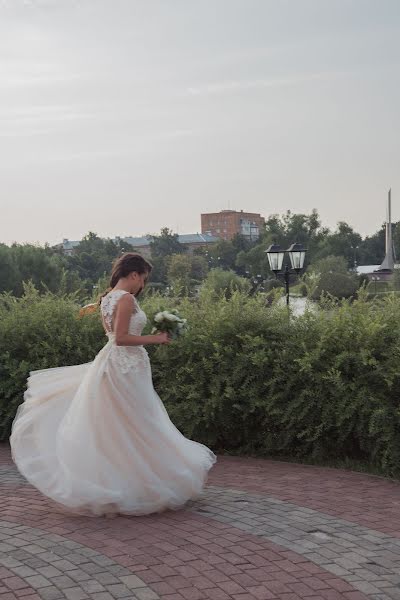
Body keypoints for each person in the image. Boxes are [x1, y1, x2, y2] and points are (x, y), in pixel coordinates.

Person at [10, 253, 216, 516]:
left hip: (116, 364)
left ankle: (127, 482)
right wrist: (157, 339)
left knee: (124, 423)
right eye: (143, 278)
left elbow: (113, 336)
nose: (143, 284)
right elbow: (120, 338)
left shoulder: (107, 298)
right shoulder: (126, 298)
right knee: (139, 420)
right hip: (125, 366)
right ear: (133, 274)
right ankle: (142, 484)